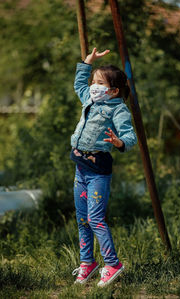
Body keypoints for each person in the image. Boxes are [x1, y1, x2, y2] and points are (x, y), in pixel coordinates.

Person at [70, 48, 137, 287]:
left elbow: (130, 136)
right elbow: (79, 84)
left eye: (99, 83)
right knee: (82, 219)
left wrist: (119, 142)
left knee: (95, 218)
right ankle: (87, 263)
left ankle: (112, 263)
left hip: (98, 171)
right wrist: (87, 63)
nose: (93, 86)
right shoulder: (90, 99)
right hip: (80, 168)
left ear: (114, 90)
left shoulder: (117, 109)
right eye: (94, 82)